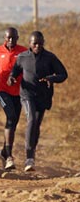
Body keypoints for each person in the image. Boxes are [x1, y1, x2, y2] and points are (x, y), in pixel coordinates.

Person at [8, 31, 67, 172]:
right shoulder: (22, 57)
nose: (37, 46)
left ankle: (32, 154)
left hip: (43, 96)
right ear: (29, 43)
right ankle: (29, 158)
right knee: (32, 119)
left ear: (43, 43)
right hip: (27, 94)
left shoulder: (50, 57)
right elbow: (14, 72)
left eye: (40, 43)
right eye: (35, 43)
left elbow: (63, 74)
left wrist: (51, 78)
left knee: (37, 125)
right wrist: (11, 78)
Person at [0, 27, 27, 170]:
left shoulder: (24, 52)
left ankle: (3, 152)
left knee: (13, 123)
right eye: (8, 38)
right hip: (2, 90)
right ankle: (9, 157)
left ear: (17, 37)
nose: (11, 40)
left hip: (18, 93)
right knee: (11, 117)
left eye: (14, 38)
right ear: (4, 38)